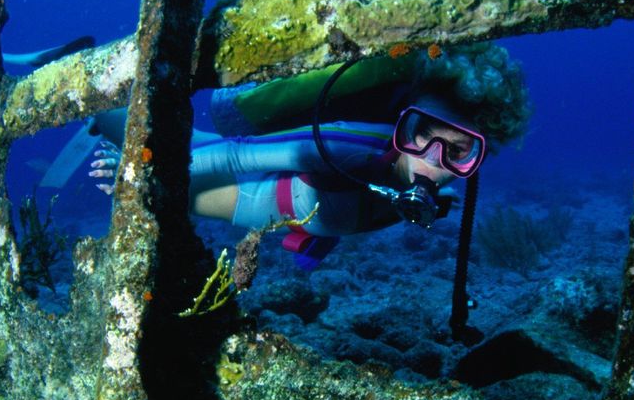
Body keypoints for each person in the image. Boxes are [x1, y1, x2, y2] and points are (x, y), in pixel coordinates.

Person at [88, 42, 530, 268]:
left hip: (308, 209)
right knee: (165, 173)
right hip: (264, 197)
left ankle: (105, 119)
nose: (432, 160)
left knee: (173, 140)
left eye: (459, 153)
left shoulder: (423, 189)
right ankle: (89, 98)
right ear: (404, 121)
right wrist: (142, 175)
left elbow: (358, 197)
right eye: (421, 135)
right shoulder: (352, 144)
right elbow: (238, 156)